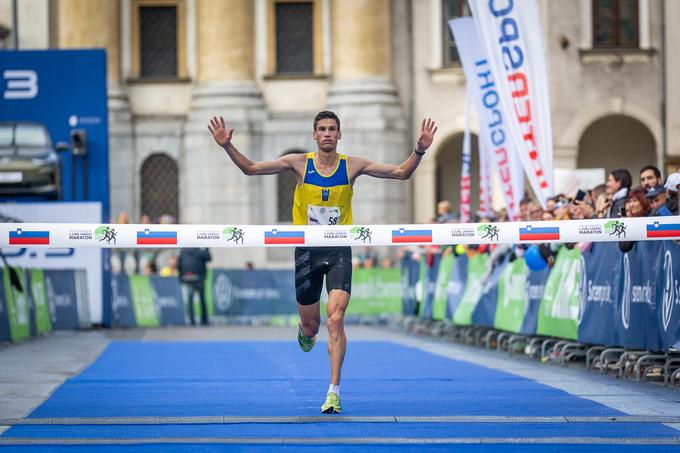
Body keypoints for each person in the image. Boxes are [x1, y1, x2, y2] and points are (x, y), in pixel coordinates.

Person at [208, 111, 437, 414]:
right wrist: (227, 146)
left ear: (339, 135)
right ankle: (305, 331)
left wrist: (419, 150)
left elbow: (401, 172)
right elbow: (251, 169)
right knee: (312, 325)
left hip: (338, 249)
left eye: (332, 129)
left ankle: (334, 391)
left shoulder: (352, 166)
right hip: (306, 251)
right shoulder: (298, 163)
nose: (327, 133)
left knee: (336, 319)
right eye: (322, 129)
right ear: (314, 135)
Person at [178, 248, 212, 326]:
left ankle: (191, 320)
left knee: (190, 300)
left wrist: (180, 277)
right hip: (199, 277)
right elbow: (209, 258)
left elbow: (179, 265)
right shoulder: (200, 251)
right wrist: (207, 249)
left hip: (187, 278)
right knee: (202, 299)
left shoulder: (183, 252)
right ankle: (204, 320)